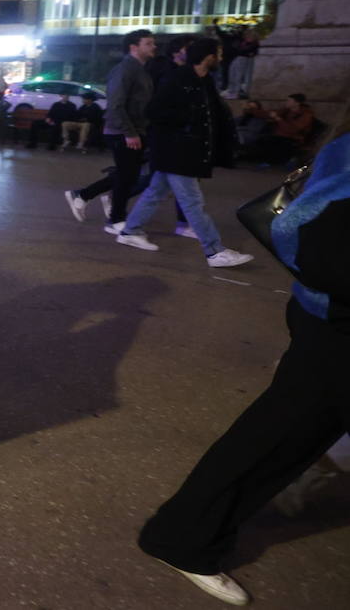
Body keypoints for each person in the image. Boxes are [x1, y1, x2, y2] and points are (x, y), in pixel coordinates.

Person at [136, 105, 350, 605]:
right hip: (337, 327)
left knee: (293, 432)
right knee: (276, 435)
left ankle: (303, 479)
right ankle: (182, 537)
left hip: (329, 324)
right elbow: (321, 248)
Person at [114, 38, 252, 268]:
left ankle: (130, 231)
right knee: (192, 201)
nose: (220, 57)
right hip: (177, 150)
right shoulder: (178, 79)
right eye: (217, 53)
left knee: (155, 192)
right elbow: (154, 111)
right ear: (207, 56)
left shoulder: (204, 80)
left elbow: (213, 116)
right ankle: (214, 251)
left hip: (185, 150)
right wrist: (188, 121)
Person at [64, 30, 156, 228]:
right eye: (148, 43)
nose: (153, 47)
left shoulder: (140, 70)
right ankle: (116, 219)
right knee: (127, 176)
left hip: (134, 130)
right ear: (134, 47)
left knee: (127, 175)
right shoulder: (125, 70)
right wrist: (129, 132)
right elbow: (115, 103)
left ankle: (84, 195)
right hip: (122, 132)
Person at [247, 94, 317, 165]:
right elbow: (267, 114)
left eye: (289, 101)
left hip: (293, 138)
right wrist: (252, 110)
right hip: (279, 135)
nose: (286, 102)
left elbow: (293, 130)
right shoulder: (286, 110)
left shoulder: (306, 114)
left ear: (297, 103)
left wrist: (278, 119)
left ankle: (277, 161)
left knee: (269, 142)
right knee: (260, 139)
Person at [220, 29, 258, 99]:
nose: (247, 38)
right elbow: (238, 49)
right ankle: (232, 91)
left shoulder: (254, 44)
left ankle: (236, 92)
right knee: (232, 74)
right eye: (247, 36)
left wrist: (244, 50)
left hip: (244, 59)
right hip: (238, 58)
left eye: (250, 36)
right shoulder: (242, 42)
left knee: (239, 76)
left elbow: (248, 52)